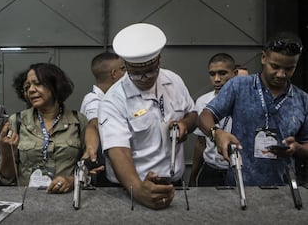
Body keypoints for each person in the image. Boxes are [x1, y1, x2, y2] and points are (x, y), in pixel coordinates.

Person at [98, 23, 197, 209]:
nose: (144, 78)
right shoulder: (113, 100)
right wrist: (138, 189)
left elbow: (192, 113)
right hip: (130, 189)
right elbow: (118, 151)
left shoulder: (173, 81)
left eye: (151, 71)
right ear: (125, 66)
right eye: (136, 74)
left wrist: (184, 124)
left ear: (159, 60)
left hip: (172, 183)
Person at [198, 32, 308, 186]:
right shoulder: (239, 86)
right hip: (239, 186)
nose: (281, 74)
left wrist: (297, 148)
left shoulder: (302, 100)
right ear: (263, 58)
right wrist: (217, 133)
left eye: (289, 68)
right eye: (275, 67)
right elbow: (204, 116)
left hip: (283, 189)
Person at [0, 63, 87, 194]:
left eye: (37, 84)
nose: (31, 90)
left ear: (55, 85)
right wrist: (6, 152)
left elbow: (91, 167)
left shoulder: (78, 121)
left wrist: (72, 180)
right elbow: (7, 177)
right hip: (27, 201)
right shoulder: (16, 121)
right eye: (27, 87)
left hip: (67, 200)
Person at [188, 53, 236, 187]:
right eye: (212, 74)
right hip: (211, 170)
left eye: (222, 73)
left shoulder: (245, 101)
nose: (217, 79)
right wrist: (193, 176)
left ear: (234, 73)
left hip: (237, 170)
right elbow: (200, 143)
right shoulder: (203, 101)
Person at [80, 52, 125, 184]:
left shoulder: (114, 98)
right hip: (101, 171)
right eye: (123, 69)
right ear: (113, 74)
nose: (127, 74)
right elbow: (94, 124)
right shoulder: (94, 100)